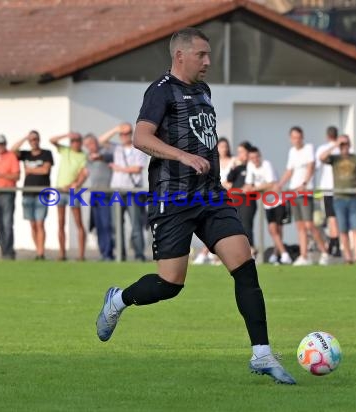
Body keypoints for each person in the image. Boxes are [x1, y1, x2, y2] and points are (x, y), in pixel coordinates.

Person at [95, 27, 296, 385]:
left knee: (244, 264)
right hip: (172, 198)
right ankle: (118, 299)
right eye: (202, 55)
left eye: (209, 54)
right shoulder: (160, 91)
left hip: (210, 195)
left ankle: (261, 353)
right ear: (180, 56)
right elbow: (142, 137)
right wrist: (182, 156)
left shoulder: (202, 90)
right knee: (170, 284)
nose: (208, 61)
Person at [277, 126, 329, 266]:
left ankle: (324, 252)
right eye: (294, 138)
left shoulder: (309, 148)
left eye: (299, 137)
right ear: (290, 139)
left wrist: (305, 183)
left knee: (309, 225)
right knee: (300, 226)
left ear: (302, 137)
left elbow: (311, 166)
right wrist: (280, 184)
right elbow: (290, 170)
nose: (297, 140)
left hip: (305, 191)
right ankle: (304, 256)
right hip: (293, 192)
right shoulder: (292, 151)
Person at [100, 123, 148, 262]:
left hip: (132, 192)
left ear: (131, 134)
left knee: (135, 225)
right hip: (117, 191)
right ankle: (121, 255)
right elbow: (101, 140)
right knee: (116, 225)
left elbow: (137, 169)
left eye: (126, 133)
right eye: (121, 134)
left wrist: (118, 168)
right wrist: (116, 129)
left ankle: (139, 255)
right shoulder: (117, 148)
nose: (123, 136)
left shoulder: (138, 149)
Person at [320, 134, 356, 264]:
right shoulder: (335, 159)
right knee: (343, 230)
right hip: (339, 199)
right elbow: (321, 157)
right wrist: (335, 145)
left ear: (350, 145)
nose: (344, 147)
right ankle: (348, 257)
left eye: (346, 144)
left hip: (353, 198)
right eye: (342, 145)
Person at [244, 146, 292, 265]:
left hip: (278, 200)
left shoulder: (267, 165)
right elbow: (248, 184)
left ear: (260, 156)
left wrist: (255, 188)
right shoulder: (250, 167)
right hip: (267, 203)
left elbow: (271, 184)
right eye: (252, 158)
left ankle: (280, 255)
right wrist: (251, 187)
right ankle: (282, 255)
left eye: (256, 157)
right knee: (273, 230)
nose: (255, 160)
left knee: (277, 230)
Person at [11, 130, 54, 260]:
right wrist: (25, 137)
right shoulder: (26, 154)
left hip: (42, 193)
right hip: (27, 193)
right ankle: (38, 251)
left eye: (35, 139)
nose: (33, 141)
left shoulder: (47, 153)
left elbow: (45, 170)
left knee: (40, 223)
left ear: (39, 140)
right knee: (33, 224)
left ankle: (41, 253)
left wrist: (30, 170)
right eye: (31, 139)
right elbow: (12, 150)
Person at [193, 136, 233, 264]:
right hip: (214, 196)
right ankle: (209, 254)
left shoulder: (234, 161)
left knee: (225, 227)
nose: (224, 149)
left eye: (226, 146)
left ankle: (207, 254)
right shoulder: (212, 161)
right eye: (221, 146)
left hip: (230, 197)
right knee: (213, 225)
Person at [50, 132, 89, 261]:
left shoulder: (83, 155)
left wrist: (76, 184)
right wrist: (67, 135)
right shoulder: (65, 150)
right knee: (61, 223)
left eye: (78, 141)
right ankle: (62, 254)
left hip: (73, 192)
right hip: (61, 190)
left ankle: (81, 255)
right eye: (74, 141)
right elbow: (52, 140)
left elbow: (83, 173)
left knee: (79, 223)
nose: (76, 143)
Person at [84, 133, 115, 261]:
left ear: (96, 142)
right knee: (98, 225)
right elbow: (85, 173)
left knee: (107, 224)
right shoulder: (87, 157)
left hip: (106, 193)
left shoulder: (107, 153)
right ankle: (103, 253)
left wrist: (98, 156)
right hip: (94, 193)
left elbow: (104, 156)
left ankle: (109, 253)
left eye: (91, 143)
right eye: (87, 145)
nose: (90, 147)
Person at [227, 141, 257, 258]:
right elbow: (229, 179)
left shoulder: (252, 167)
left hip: (248, 201)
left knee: (246, 225)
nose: (240, 154)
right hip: (235, 200)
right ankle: (238, 253)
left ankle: (251, 251)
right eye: (238, 152)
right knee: (235, 226)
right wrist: (233, 166)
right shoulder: (238, 168)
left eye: (242, 152)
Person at [315, 126, 341, 257]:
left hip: (331, 189)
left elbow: (318, 162)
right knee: (332, 218)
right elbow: (321, 159)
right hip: (330, 189)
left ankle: (335, 244)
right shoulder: (335, 148)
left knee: (332, 218)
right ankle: (334, 243)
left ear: (327, 136)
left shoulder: (331, 148)